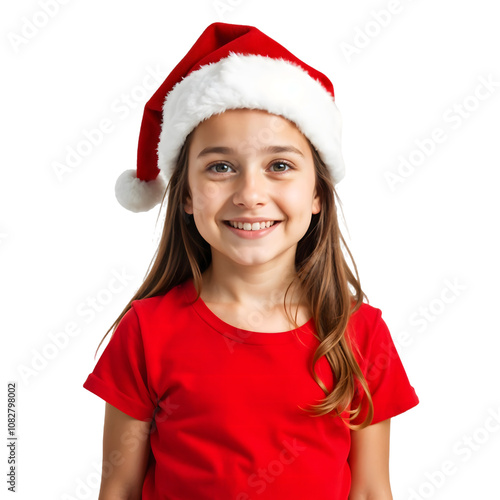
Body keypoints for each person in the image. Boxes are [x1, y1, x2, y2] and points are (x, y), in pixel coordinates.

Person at [83, 22, 419, 500]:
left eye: (279, 166)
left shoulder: (360, 335)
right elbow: (119, 487)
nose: (250, 194)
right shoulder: (146, 331)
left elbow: (370, 490)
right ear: (186, 196)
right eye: (220, 167)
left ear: (318, 193)